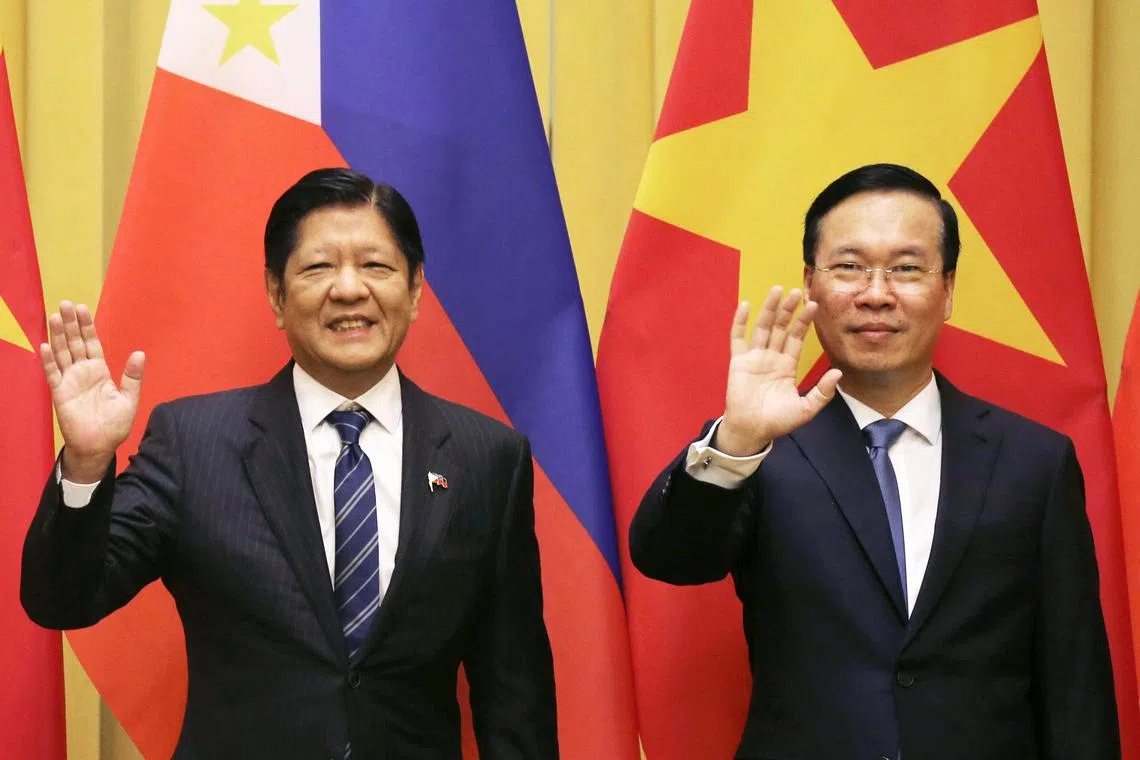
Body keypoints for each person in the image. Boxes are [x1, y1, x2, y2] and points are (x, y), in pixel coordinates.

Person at [22, 167, 558, 759]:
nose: (349, 289)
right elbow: (62, 599)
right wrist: (88, 462)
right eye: (318, 267)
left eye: (376, 266)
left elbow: (514, 693)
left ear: (415, 290)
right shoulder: (195, 441)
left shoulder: (488, 457)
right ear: (276, 295)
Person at [628, 163, 1120, 759]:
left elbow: (1075, 680)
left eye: (907, 268)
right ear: (811, 283)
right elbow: (672, 558)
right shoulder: (758, 450)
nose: (876, 293)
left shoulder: (1034, 461)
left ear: (948, 290)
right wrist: (736, 439)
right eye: (850, 267)